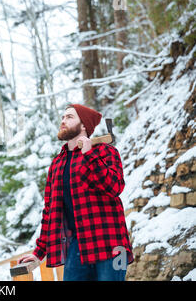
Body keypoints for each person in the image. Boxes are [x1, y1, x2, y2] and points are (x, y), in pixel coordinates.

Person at [18, 103, 133, 281]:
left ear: (84, 125)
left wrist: (89, 155)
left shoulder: (105, 151)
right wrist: (39, 253)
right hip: (78, 246)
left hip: (113, 243)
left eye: (69, 117)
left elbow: (115, 187)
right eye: (63, 117)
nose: (63, 121)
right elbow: (50, 211)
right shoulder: (57, 163)